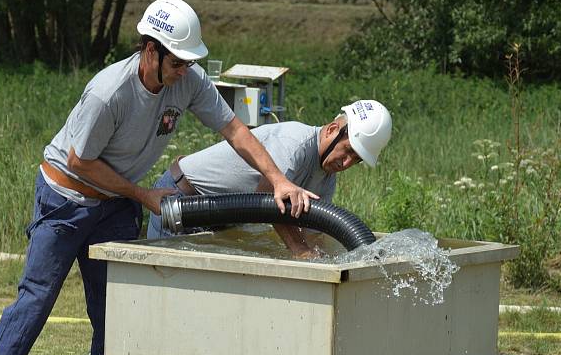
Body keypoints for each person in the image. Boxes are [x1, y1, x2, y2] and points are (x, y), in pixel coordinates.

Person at [0, 0, 317, 355]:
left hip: (115, 203)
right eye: (178, 60)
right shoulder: (109, 92)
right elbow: (80, 162)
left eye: (189, 61)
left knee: (115, 311)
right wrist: (144, 195)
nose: (185, 69)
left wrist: (278, 180)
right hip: (65, 200)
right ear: (151, 50)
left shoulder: (187, 81)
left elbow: (237, 131)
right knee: (36, 301)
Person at [147, 99, 392, 258]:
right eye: (348, 151)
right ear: (331, 130)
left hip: (218, 219)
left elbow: (312, 233)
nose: (347, 163)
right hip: (180, 201)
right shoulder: (294, 143)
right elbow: (267, 199)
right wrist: (299, 250)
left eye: (356, 159)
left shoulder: (326, 178)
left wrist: (330, 258)